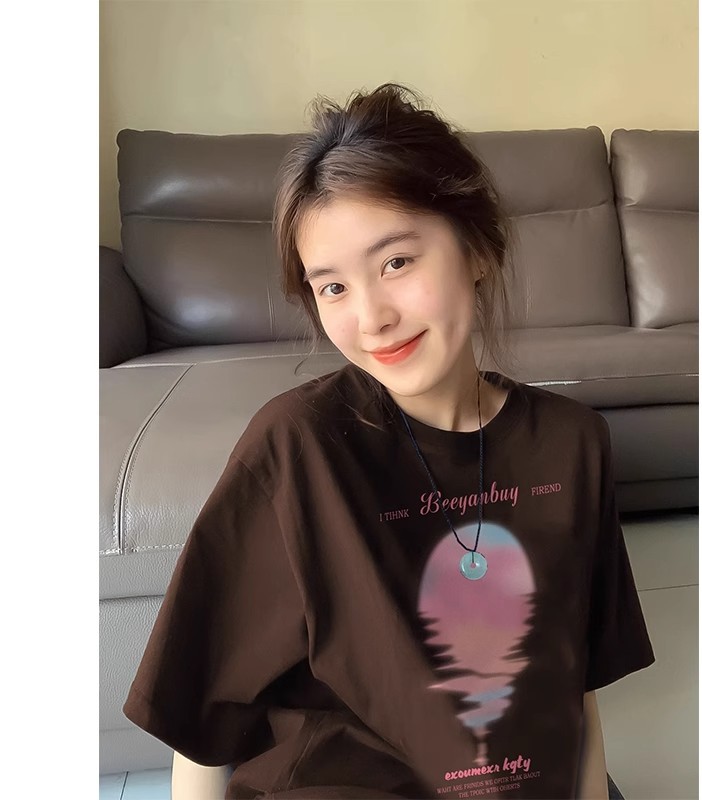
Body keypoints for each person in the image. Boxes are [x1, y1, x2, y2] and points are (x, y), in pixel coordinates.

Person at [122, 82, 655, 800]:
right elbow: (202, 713)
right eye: (332, 287)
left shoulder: (574, 444)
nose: (371, 317)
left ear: (477, 248)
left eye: (396, 262)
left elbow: (575, 685)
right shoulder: (297, 448)